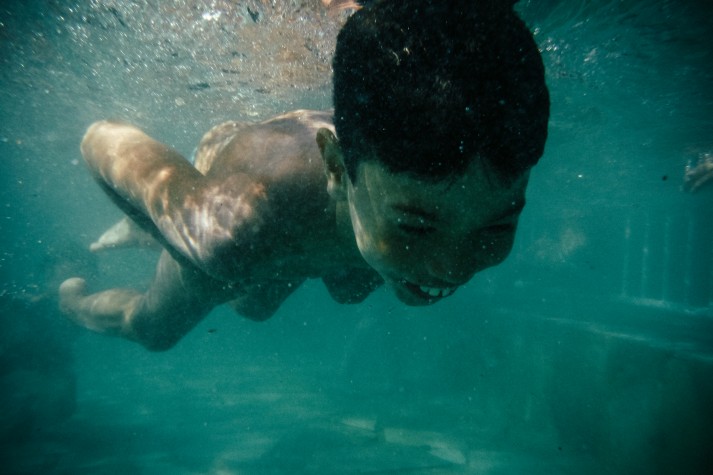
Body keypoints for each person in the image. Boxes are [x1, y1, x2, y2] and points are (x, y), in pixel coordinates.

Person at [60, 0, 550, 351]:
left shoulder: (396, 190)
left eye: (496, 226)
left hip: (306, 230)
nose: (454, 269)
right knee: (159, 327)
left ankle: (155, 230)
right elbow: (101, 140)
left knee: (269, 303)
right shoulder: (234, 226)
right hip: (245, 208)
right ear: (337, 168)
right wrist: (160, 217)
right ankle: (77, 297)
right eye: (416, 227)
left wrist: (398, 243)